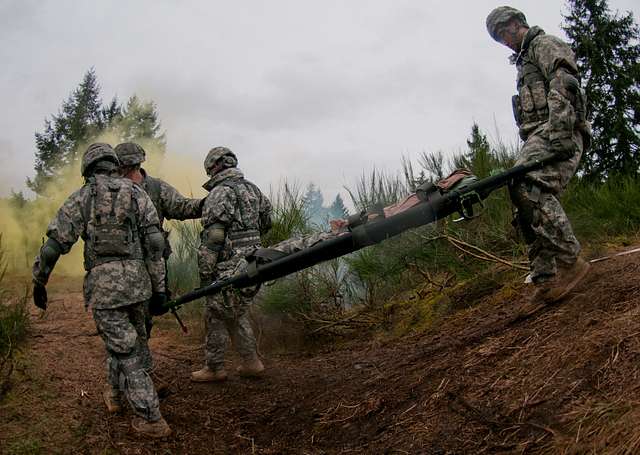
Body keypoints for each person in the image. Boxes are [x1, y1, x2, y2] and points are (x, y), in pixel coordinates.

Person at [31, 143, 171, 437]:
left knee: (126, 350)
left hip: (105, 290)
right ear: (114, 165)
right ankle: (116, 396)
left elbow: (53, 246)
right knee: (131, 345)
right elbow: (156, 245)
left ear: (87, 170)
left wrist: (40, 281)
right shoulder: (138, 194)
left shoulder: (83, 196)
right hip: (139, 285)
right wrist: (160, 290)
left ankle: (151, 418)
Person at [486, 6, 591, 303]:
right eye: (498, 38)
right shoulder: (524, 62)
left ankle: (571, 262)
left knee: (527, 186)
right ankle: (546, 278)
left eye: (504, 33)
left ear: (517, 23)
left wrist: (559, 133)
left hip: (561, 129)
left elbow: (565, 84)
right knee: (521, 196)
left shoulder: (544, 45)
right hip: (540, 135)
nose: (504, 40)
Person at [114, 142, 203, 390]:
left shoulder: (155, 188)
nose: (124, 173)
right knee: (122, 328)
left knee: (144, 325)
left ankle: (135, 380)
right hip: (121, 271)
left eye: (125, 168)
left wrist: (209, 203)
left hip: (152, 270)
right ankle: (126, 385)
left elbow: (182, 207)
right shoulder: (111, 192)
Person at [191, 146, 272, 382]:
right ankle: (251, 362)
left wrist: (206, 273)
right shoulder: (253, 189)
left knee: (215, 311)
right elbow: (267, 222)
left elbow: (214, 237)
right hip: (255, 259)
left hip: (228, 264)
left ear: (213, 167)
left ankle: (214, 368)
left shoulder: (220, 192)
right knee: (236, 311)